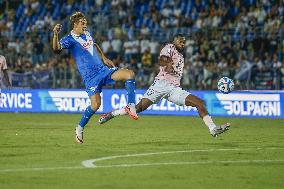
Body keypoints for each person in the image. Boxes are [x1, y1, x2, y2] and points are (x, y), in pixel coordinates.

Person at [99, 34, 230, 137]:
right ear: (174, 41)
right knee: (138, 108)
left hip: (174, 89)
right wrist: (167, 63)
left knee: (199, 103)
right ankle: (112, 114)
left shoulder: (181, 56)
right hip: (160, 85)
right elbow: (162, 60)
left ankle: (213, 129)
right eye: (180, 41)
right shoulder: (169, 48)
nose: (182, 43)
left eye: (184, 42)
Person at [52, 12, 138, 144]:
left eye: (86, 23)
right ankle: (80, 127)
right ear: (75, 24)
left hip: (103, 70)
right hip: (90, 77)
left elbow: (95, 45)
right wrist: (55, 34)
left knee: (129, 74)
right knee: (96, 105)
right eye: (82, 23)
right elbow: (56, 49)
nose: (85, 25)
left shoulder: (87, 33)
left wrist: (103, 57)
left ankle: (130, 106)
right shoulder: (69, 39)